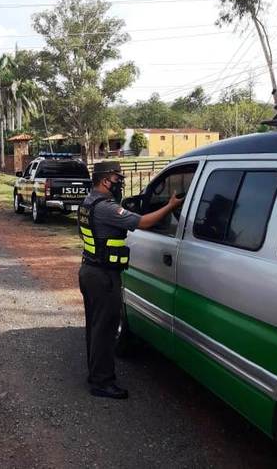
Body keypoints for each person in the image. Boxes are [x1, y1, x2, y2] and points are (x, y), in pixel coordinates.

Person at [78, 161, 184, 399]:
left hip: (90, 270)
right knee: (105, 330)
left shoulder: (88, 201)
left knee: (95, 327)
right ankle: (102, 382)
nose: (120, 184)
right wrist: (170, 205)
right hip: (103, 276)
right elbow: (144, 222)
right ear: (106, 180)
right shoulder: (106, 207)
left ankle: (95, 374)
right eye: (118, 179)